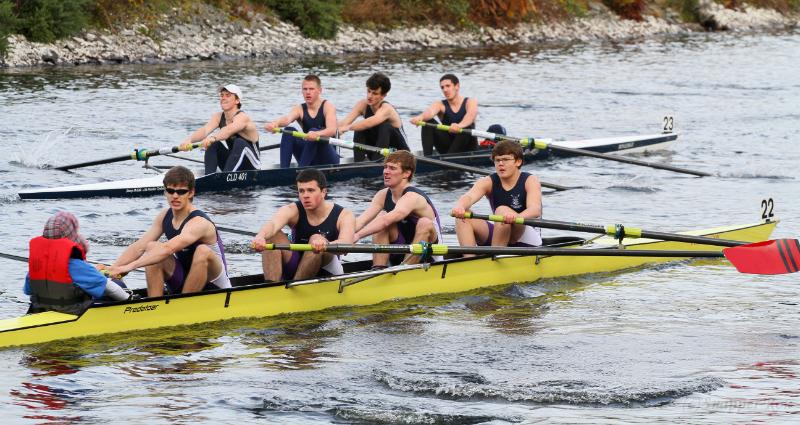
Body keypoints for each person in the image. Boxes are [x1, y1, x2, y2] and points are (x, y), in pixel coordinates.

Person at [105, 166, 231, 297]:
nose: (175, 196)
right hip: (185, 280)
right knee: (152, 247)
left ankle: (183, 304)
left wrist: (129, 267)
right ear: (165, 192)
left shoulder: (199, 222)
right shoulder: (165, 216)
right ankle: (154, 304)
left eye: (181, 192)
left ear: (191, 193)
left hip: (216, 287)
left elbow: (168, 248)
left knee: (202, 251)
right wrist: (114, 268)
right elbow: (139, 247)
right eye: (170, 191)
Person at [252, 169, 355, 281]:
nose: (305, 195)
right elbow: (273, 224)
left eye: (310, 190)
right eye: (301, 191)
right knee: (272, 236)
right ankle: (272, 286)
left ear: (323, 192)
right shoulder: (292, 210)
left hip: (327, 271)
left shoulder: (344, 215)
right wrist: (260, 236)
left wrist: (326, 244)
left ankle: (295, 287)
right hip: (296, 267)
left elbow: (346, 244)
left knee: (316, 238)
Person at [24, 212, 129, 314]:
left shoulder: (36, 266)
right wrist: (128, 300)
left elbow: (27, 290)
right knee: (118, 283)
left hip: (41, 308)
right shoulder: (78, 266)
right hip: (73, 312)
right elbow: (111, 288)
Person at [451, 140, 542, 256]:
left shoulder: (530, 180)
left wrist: (516, 217)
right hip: (501, 232)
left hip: (525, 239)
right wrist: (460, 206)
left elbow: (535, 209)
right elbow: (469, 197)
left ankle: (495, 256)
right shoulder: (488, 181)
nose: (501, 164)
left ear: (518, 162)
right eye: (497, 160)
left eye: (506, 159)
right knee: (463, 216)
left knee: (502, 210)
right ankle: (469, 260)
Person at [354, 151, 443, 268]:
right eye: (385, 167)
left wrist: (357, 236)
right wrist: (343, 237)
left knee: (424, 223)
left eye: (392, 168)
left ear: (406, 173)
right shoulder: (382, 195)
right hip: (401, 248)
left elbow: (386, 220)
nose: (386, 171)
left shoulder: (412, 197)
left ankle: (405, 270)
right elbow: (360, 221)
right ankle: (378, 268)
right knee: (380, 217)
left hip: (428, 254)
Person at [179, 84, 261, 175]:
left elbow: (228, 130)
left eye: (228, 95)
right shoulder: (218, 117)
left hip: (252, 165)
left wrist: (213, 138)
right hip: (234, 162)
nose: (223, 98)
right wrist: (189, 140)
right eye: (222, 95)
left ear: (237, 100)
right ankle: (209, 177)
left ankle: (224, 177)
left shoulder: (242, 117)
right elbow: (205, 130)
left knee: (239, 142)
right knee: (213, 144)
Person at [264, 74, 341, 168]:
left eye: (311, 89)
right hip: (309, 156)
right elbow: (287, 119)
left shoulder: (328, 107)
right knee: (289, 131)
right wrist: (275, 123)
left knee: (313, 130)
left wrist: (317, 134)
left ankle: (301, 170)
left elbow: (332, 130)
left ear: (319, 90)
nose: (308, 92)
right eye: (305, 89)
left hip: (329, 159)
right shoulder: (299, 109)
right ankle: (283, 171)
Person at [338, 72, 410, 162]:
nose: (369, 96)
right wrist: (327, 130)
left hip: (400, 153)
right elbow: (344, 122)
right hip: (379, 150)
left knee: (382, 126)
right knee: (359, 128)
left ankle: (376, 164)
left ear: (383, 95)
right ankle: (358, 163)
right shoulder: (362, 104)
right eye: (368, 91)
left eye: (375, 93)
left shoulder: (387, 108)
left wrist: (347, 128)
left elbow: (370, 122)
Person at [410, 73, 479, 156]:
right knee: (427, 122)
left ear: (457, 86)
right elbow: (430, 112)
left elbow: (470, 117)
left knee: (466, 127)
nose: (445, 90)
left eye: (448, 86)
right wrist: (420, 117)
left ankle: (448, 158)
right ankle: (427, 158)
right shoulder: (440, 104)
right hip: (448, 148)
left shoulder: (470, 101)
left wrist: (459, 126)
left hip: (468, 147)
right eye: (442, 87)